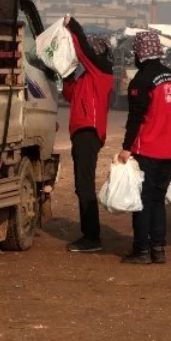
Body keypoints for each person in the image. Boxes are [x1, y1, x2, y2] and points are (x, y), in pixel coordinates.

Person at [119, 32, 171, 264]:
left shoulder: (142, 80)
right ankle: (159, 248)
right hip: (170, 150)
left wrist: (126, 147)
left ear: (140, 52)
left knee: (143, 201)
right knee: (158, 200)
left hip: (147, 149)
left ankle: (142, 250)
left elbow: (136, 117)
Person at [61, 16, 115, 254]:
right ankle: (90, 234)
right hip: (81, 133)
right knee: (82, 185)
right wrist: (66, 74)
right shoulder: (88, 76)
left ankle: (92, 236)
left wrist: (74, 27)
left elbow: (83, 50)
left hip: (88, 133)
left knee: (84, 185)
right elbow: (70, 95)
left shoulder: (101, 71)